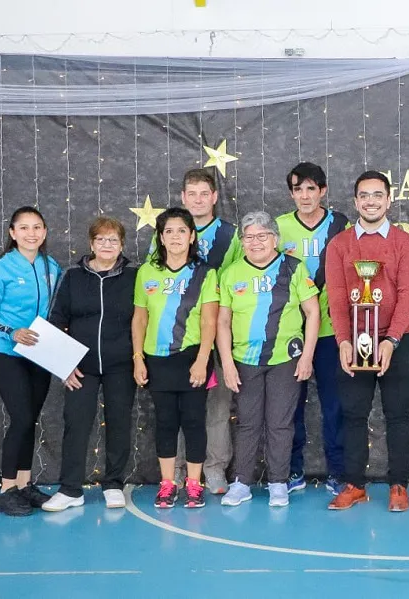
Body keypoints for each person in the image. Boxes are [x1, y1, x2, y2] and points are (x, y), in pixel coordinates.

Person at [324, 171, 409, 511]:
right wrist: (343, 341)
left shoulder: (405, 243)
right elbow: (336, 297)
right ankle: (354, 485)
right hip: (354, 342)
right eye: (364, 195)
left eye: (377, 195)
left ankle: (399, 485)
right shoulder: (339, 245)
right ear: (355, 202)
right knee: (353, 415)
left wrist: (392, 339)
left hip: (396, 342)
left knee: (397, 415)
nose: (370, 201)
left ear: (388, 200)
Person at [217, 211, 320, 507]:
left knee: (280, 423)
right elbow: (222, 321)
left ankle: (278, 482)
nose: (255, 242)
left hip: (285, 357)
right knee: (248, 422)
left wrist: (307, 357)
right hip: (245, 360)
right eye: (248, 237)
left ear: (275, 239)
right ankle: (242, 483)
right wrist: (226, 362)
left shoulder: (293, 268)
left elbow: (312, 312)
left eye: (262, 236)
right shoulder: (231, 273)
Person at [150, 168, 242, 494]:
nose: (198, 199)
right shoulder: (165, 232)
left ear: (215, 197)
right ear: (183, 197)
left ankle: (215, 469)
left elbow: (236, 282)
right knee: (176, 410)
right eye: (192, 194)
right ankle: (174, 471)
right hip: (176, 341)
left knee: (217, 406)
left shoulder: (231, 236)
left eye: (205, 193)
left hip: (217, 334)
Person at [43, 217, 138, 512]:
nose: (106, 245)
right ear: (91, 243)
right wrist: (64, 364)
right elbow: (56, 320)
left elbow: (145, 317)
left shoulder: (135, 275)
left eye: (113, 240)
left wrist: (138, 359)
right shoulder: (72, 276)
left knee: (120, 423)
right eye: (101, 240)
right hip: (80, 366)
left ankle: (113, 484)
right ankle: (71, 489)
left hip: (122, 364)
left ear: (122, 245)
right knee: (76, 423)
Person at [133, 207, 219, 509]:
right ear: (160, 237)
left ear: (192, 235)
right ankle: (168, 483)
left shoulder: (206, 273)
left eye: (181, 230)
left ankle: (194, 485)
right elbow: (139, 320)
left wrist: (202, 359)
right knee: (166, 422)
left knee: (194, 422)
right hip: (157, 359)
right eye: (168, 231)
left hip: (193, 357)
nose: (175, 236)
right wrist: (138, 358)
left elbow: (210, 321)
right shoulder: (147, 272)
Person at [0, 206, 62, 516]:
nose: (32, 233)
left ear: (44, 232)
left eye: (37, 227)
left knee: (31, 419)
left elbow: (57, 309)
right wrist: (11, 331)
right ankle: (6, 489)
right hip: (6, 354)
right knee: (22, 417)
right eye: (24, 228)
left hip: (39, 355)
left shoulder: (51, 266)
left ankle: (25, 486)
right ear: (12, 233)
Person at [276, 162, 350, 496]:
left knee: (335, 404)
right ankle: (293, 471)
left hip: (332, 332)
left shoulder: (340, 224)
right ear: (291, 193)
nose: (304, 196)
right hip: (291, 333)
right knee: (291, 405)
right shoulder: (277, 228)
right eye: (297, 189)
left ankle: (338, 471)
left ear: (323, 190)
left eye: (311, 188)